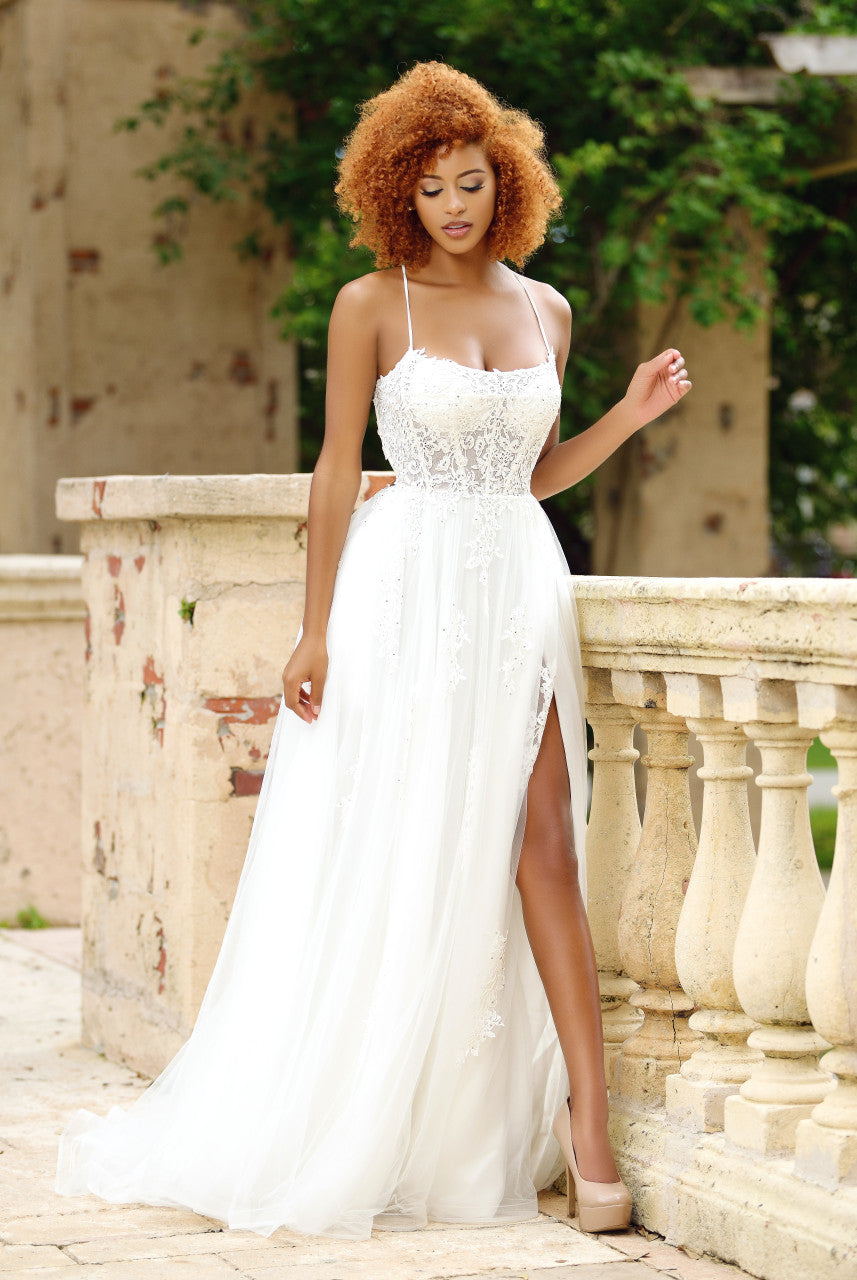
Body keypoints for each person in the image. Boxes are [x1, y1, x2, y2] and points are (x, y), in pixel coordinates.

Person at [55, 60, 691, 1241]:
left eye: (474, 180)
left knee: (540, 838)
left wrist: (631, 414)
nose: (455, 203)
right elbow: (338, 465)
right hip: (400, 594)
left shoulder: (546, 307)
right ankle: (377, 1103)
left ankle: (585, 1122)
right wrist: (312, 623)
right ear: (398, 189)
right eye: (435, 185)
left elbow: (534, 474)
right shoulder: (372, 304)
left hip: (517, 579)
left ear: (508, 182)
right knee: (399, 838)